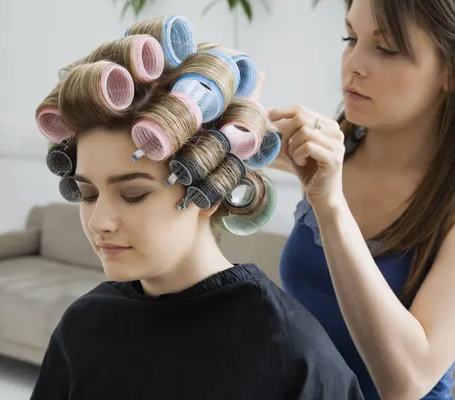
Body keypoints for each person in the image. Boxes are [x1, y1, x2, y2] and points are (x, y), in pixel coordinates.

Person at [29, 15, 363, 400]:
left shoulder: (288, 350)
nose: (100, 221)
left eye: (134, 194)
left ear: (211, 190)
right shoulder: (83, 328)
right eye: (88, 194)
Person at [271, 0, 455, 398]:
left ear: (449, 71)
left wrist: (331, 206)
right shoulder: (334, 149)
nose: (353, 63)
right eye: (349, 38)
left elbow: (406, 382)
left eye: (386, 49)